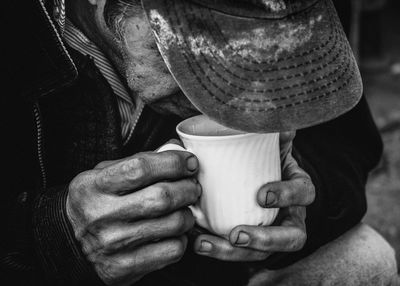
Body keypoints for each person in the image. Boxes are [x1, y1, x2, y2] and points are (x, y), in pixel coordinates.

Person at [1, 0, 398, 285]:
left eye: (274, 66)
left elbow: (345, 141)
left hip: (218, 270)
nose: (249, 102)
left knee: (363, 260)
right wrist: (50, 238)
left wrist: (296, 196)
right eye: (213, 64)